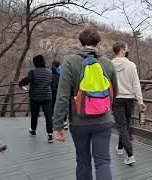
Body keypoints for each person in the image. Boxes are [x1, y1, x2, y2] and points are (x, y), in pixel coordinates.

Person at [53, 28, 118, 180]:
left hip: (78, 121)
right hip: (103, 121)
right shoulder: (107, 63)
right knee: (103, 162)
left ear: (80, 43)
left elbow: (62, 96)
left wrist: (58, 125)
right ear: (98, 43)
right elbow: (114, 92)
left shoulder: (70, 61)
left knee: (83, 161)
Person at [111, 41, 146, 165]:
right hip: (129, 99)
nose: (127, 50)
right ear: (121, 50)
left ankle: (129, 154)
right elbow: (136, 84)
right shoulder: (131, 65)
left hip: (116, 99)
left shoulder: (109, 65)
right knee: (125, 125)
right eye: (126, 48)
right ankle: (122, 149)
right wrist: (140, 101)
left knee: (122, 125)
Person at [19, 55, 53, 143]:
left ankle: (33, 130)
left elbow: (26, 80)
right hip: (47, 97)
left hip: (35, 97)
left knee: (34, 115)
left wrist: (21, 83)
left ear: (35, 63)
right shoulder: (49, 72)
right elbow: (51, 83)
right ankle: (50, 135)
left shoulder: (33, 72)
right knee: (48, 116)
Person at [51, 61, 68, 130]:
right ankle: (64, 122)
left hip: (53, 92)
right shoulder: (62, 71)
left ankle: (54, 122)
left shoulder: (52, 72)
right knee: (63, 106)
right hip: (62, 92)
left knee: (53, 107)